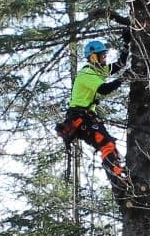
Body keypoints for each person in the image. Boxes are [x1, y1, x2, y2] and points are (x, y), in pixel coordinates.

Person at [56, 39, 131, 204]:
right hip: (81, 118)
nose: (105, 59)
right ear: (93, 58)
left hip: (85, 118)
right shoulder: (87, 73)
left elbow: (119, 64)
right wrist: (122, 79)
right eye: (102, 56)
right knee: (106, 145)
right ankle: (118, 178)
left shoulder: (97, 70)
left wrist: (127, 44)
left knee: (109, 146)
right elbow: (104, 89)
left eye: (105, 55)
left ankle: (119, 180)